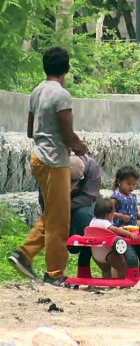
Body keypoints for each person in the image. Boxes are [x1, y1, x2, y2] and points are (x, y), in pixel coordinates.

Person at [8, 47, 88, 287]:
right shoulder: (61, 95)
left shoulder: (37, 91)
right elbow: (66, 131)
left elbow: (30, 131)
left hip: (38, 158)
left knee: (53, 214)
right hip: (55, 162)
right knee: (59, 221)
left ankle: (24, 254)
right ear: (67, 69)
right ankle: (54, 273)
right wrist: (80, 147)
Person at [38, 154, 102, 268]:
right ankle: (55, 269)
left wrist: (63, 206)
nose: (70, 186)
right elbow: (44, 195)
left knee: (83, 215)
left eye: (73, 182)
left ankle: (82, 248)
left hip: (85, 203)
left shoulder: (91, 167)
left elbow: (89, 196)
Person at [88, 199, 139, 279]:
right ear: (109, 215)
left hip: (96, 255)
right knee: (122, 267)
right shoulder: (105, 223)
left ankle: (107, 284)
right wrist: (129, 233)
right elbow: (115, 230)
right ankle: (123, 284)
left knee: (106, 270)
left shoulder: (92, 222)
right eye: (113, 214)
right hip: (108, 254)